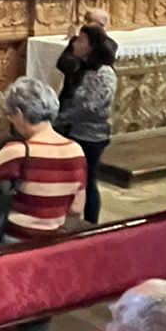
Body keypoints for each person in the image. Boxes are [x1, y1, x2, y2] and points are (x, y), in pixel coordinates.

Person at [0, 76, 85, 331]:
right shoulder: (75, 150)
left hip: (12, 248)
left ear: (19, 113)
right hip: (50, 251)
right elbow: (76, 208)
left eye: (10, 114)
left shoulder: (18, 151)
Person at [55, 24, 117, 226]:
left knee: (87, 181)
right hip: (73, 130)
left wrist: (60, 118)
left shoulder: (103, 74)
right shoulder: (82, 67)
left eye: (81, 40)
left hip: (91, 135)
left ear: (91, 46)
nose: (75, 43)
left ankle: (91, 224)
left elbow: (91, 107)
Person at [54, 6, 111, 103]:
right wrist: (80, 61)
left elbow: (107, 60)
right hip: (73, 96)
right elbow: (63, 64)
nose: (101, 29)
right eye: (99, 24)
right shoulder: (76, 42)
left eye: (103, 25)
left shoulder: (108, 45)